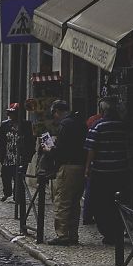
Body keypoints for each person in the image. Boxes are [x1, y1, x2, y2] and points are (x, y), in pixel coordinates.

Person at [85, 98, 129, 245]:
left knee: (100, 204)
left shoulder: (98, 125)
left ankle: (108, 233)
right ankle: (118, 232)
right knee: (117, 203)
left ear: (103, 111)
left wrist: (87, 168)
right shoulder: (123, 126)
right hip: (120, 171)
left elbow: (91, 149)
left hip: (101, 172)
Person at [44, 98, 87, 246]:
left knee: (62, 202)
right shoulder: (81, 123)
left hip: (67, 167)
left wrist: (49, 149)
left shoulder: (65, 125)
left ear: (58, 112)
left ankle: (62, 235)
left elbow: (60, 150)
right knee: (75, 203)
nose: (54, 117)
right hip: (81, 167)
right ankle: (73, 234)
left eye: (54, 113)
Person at [0, 104, 34, 201]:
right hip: (7, 155)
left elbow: (30, 140)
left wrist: (29, 155)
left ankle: (18, 196)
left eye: (13, 113)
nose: (10, 115)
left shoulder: (26, 125)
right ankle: (7, 193)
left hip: (20, 156)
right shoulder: (5, 124)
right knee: (5, 176)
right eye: (10, 113)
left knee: (19, 178)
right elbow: (0, 140)